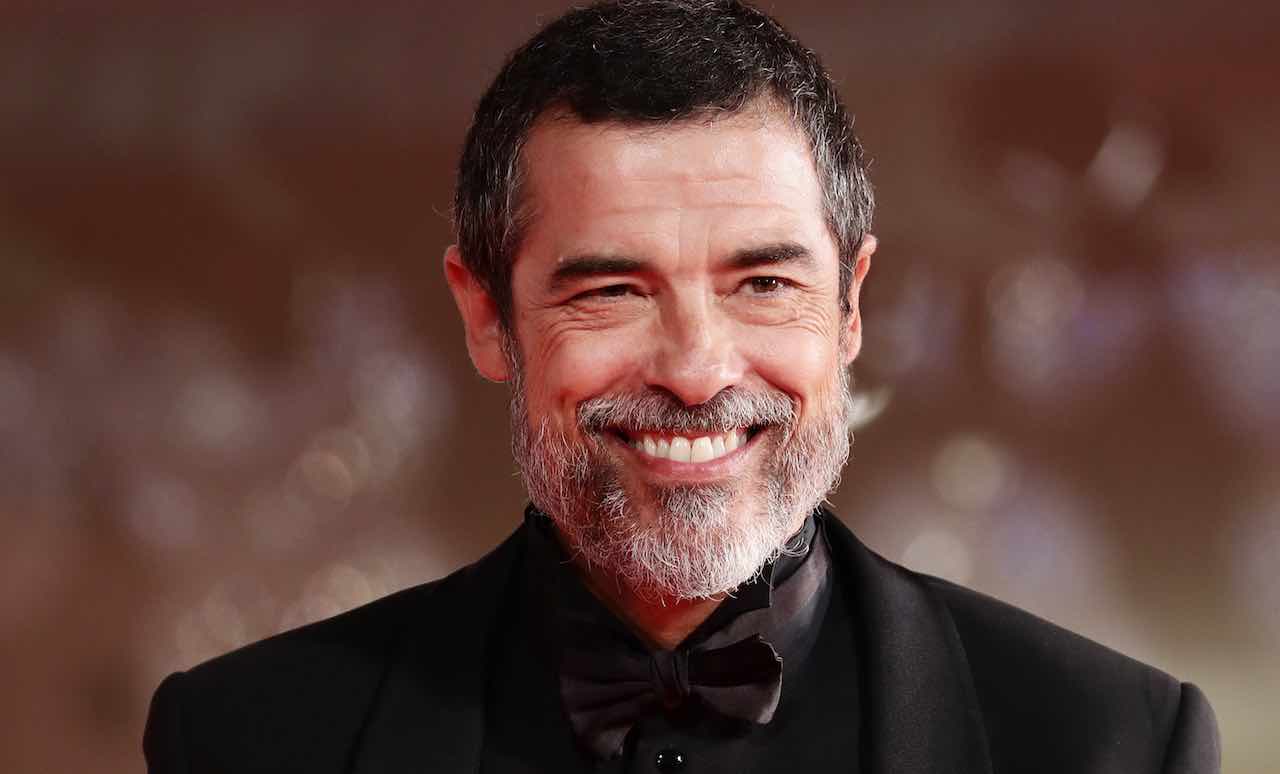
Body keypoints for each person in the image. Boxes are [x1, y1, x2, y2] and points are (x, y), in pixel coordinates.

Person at [143, 1, 1220, 772]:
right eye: (611, 291)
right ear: (486, 318)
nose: (697, 372)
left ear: (850, 306)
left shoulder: (1112, 742)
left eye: (763, 284)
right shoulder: (245, 739)